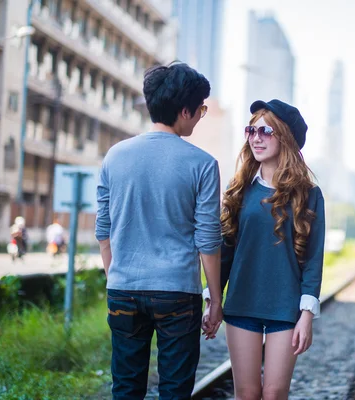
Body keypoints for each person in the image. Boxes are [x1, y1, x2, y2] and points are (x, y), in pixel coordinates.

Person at [95, 61, 224, 400]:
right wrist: (215, 299)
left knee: (125, 386)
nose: (200, 117)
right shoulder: (203, 164)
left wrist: (116, 277)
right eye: (200, 110)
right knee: (175, 389)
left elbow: (103, 230)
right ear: (185, 111)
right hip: (177, 292)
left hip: (123, 289)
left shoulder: (114, 156)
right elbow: (208, 239)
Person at [202, 99, 325, 400]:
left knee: (274, 393)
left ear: (285, 137)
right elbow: (226, 251)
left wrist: (307, 315)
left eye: (265, 131)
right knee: (246, 393)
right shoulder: (240, 190)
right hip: (242, 304)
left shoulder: (309, 195)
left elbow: (313, 259)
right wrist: (213, 299)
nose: (256, 138)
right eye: (251, 130)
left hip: (286, 309)